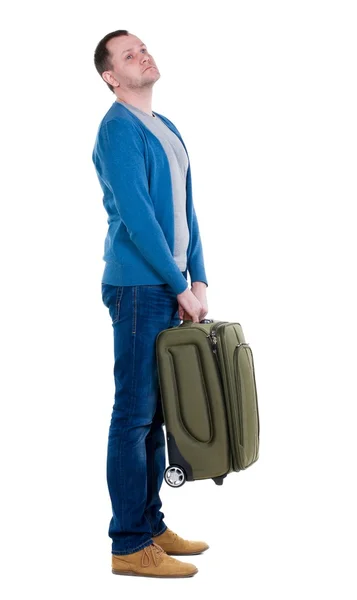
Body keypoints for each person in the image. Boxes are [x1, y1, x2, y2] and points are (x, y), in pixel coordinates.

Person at [92, 29, 210, 578]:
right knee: (134, 415)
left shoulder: (165, 127)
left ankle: (152, 525)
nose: (143, 54)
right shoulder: (117, 130)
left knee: (158, 416)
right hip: (140, 288)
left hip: (169, 285)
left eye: (142, 46)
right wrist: (177, 284)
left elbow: (187, 209)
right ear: (111, 77)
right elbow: (138, 221)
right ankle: (128, 543)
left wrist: (199, 278)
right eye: (127, 54)